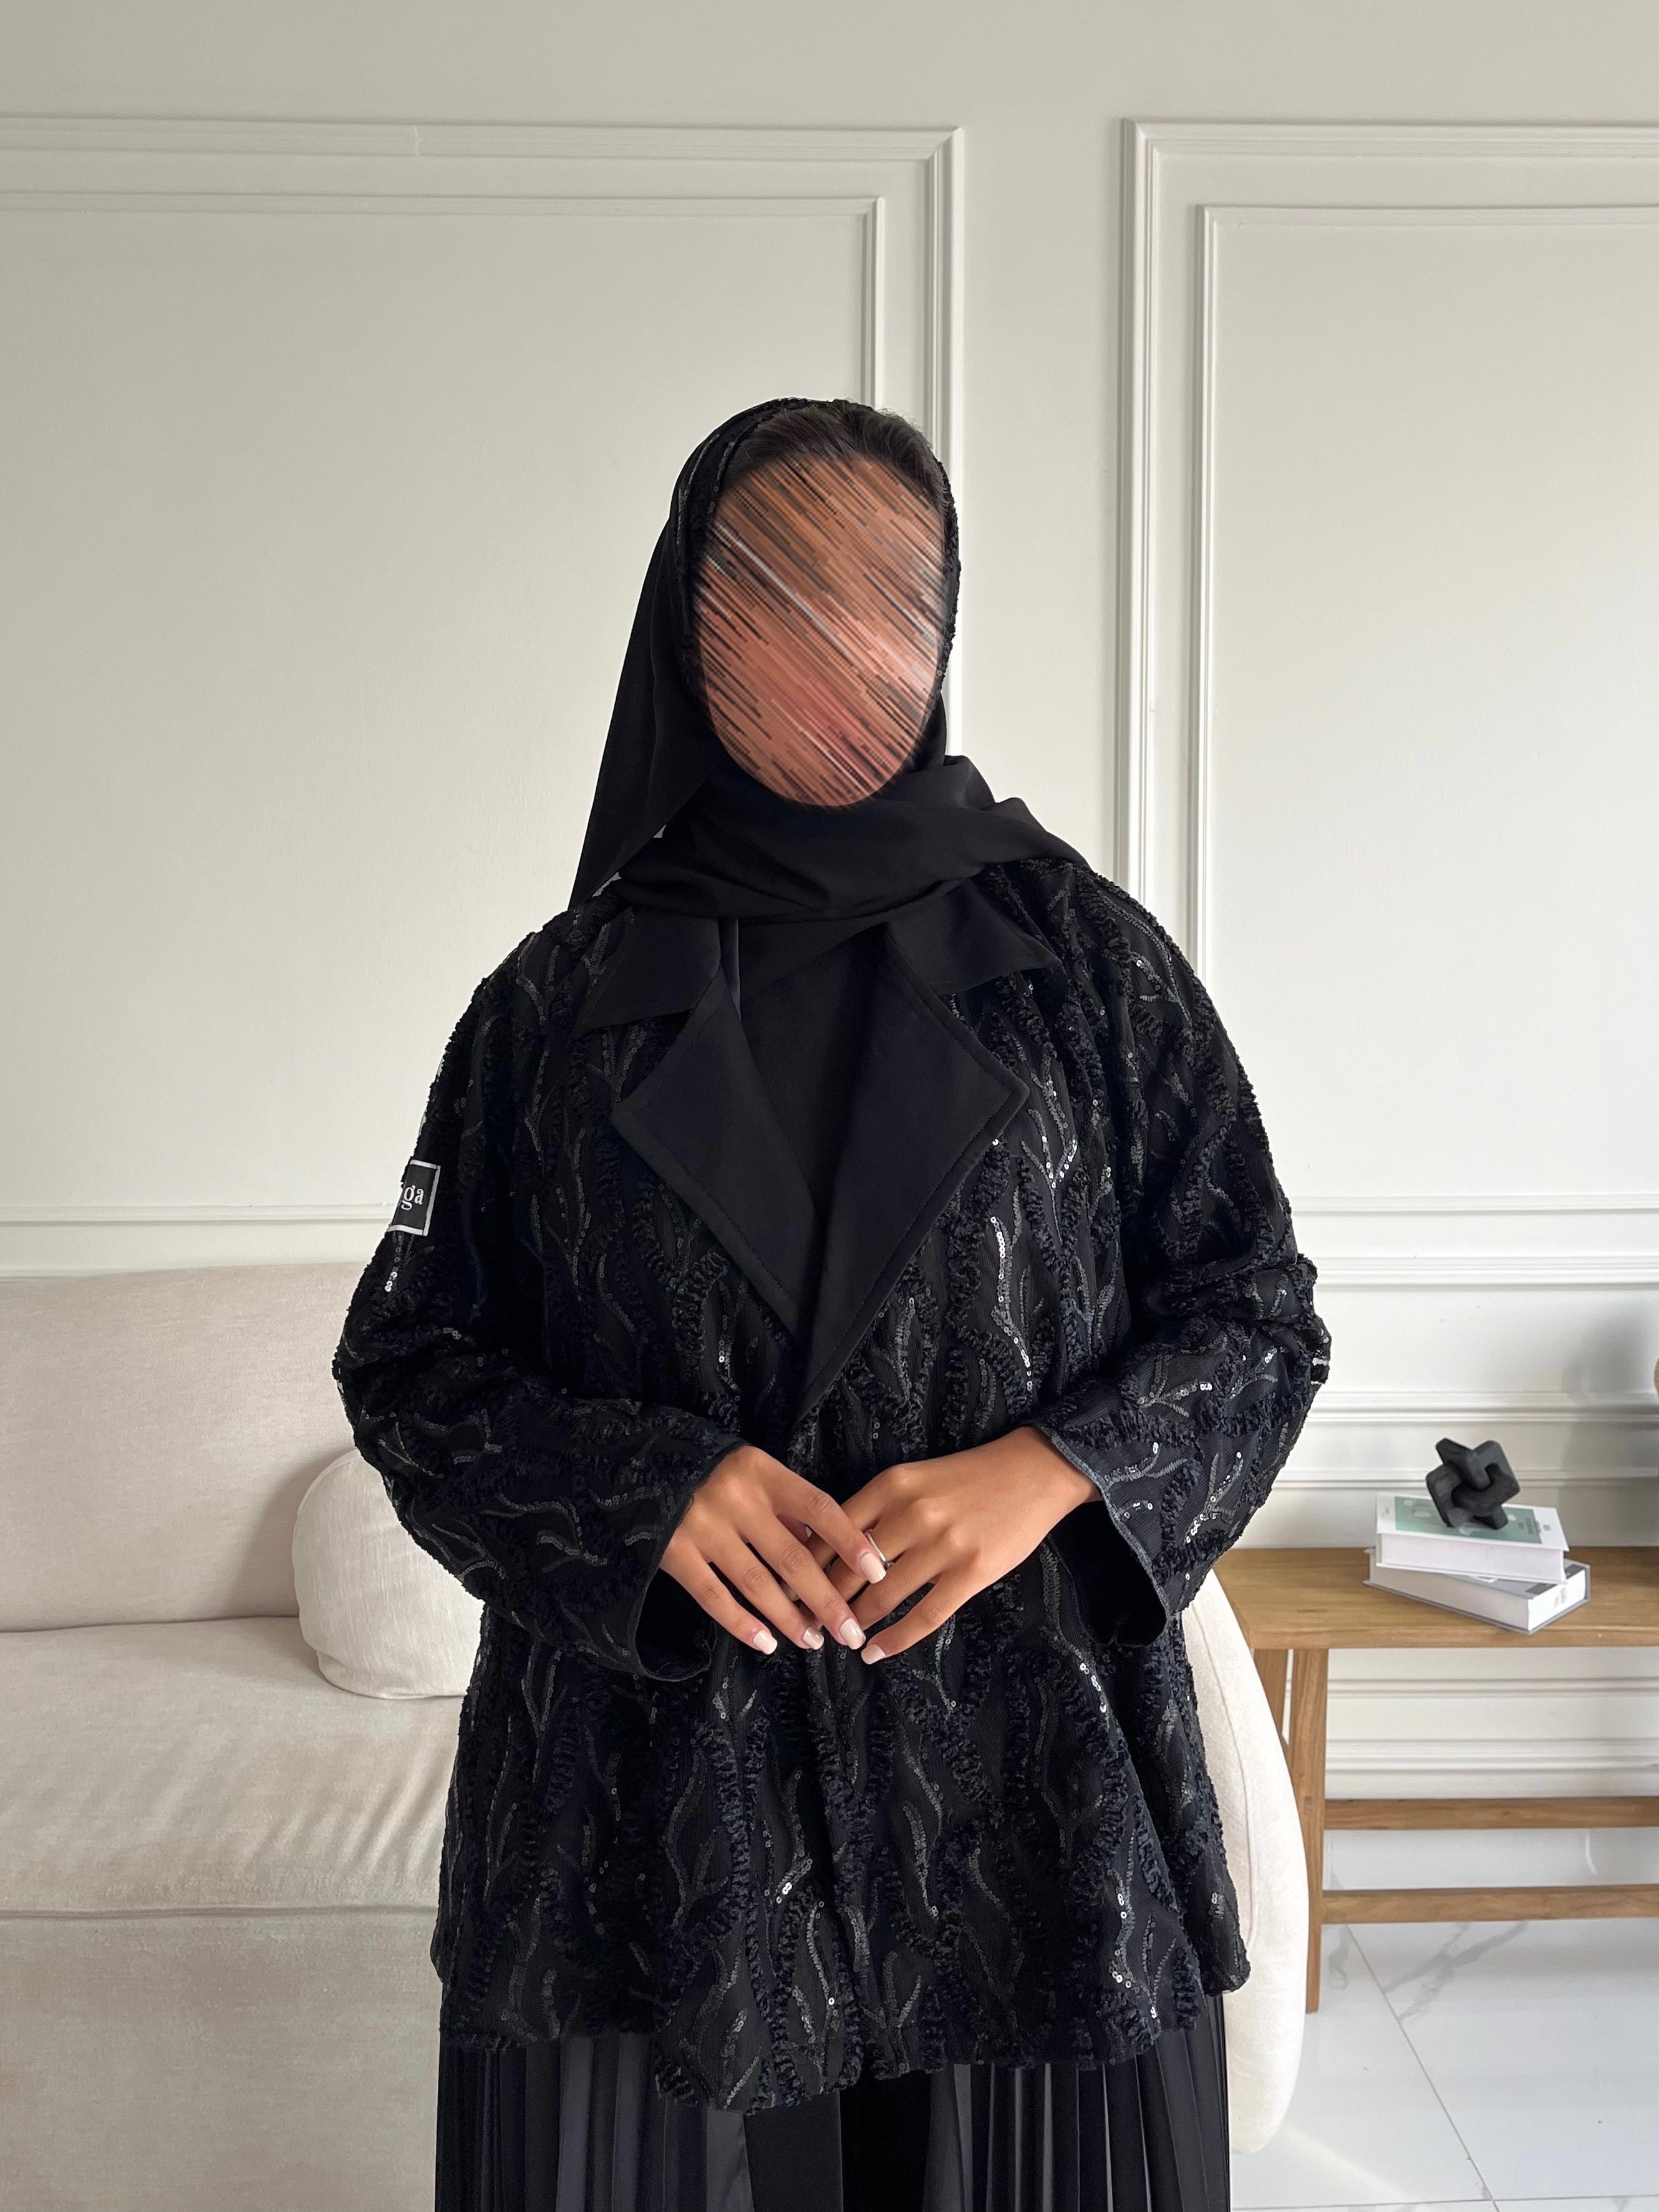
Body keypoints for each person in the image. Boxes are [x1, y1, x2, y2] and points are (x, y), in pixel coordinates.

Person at [332, 396, 1333, 2212]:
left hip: (1030, 1814)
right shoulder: (549, 1008)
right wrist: (648, 1494)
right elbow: (409, 1365)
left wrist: (1052, 1468)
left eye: (888, 596)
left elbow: (1255, 1310)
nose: (840, 648)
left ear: (943, 625)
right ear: (682, 618)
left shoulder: (1087, 969)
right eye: (774, 592)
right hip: (646, 1831)